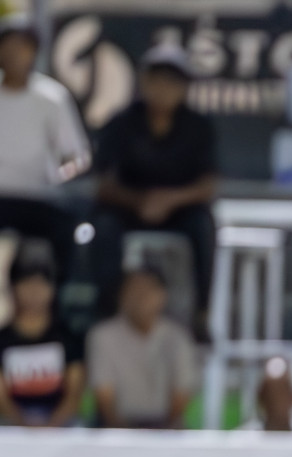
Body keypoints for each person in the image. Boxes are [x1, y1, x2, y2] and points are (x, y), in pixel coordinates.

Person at [92, 43, 218, 326]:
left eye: (173, 82)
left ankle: (202, 314)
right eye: (158, 80)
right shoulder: (122, 122)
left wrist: (168, 200)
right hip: (128, 206)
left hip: (178, 209)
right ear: (144, 82)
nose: (164, 88)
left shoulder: (198, 126)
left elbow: (208, 184)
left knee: (204, 226)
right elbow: (104, 184)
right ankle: (106, 309)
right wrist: (140, 202)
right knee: (103, 227)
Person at [0, 15, 91, 288]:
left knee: (67, 229)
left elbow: (77, 156)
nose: (15, 53)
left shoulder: (52, 97)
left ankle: (58, 305)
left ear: (34, 52)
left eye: (23, 46)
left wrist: (62, 174)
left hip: (37, 196)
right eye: (9, 45)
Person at [86, 264, 197, 428]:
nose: (141, 297)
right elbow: (104, 397)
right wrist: (124, 436)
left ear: (162, 296)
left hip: (167, 430)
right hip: (117, 429)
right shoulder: (102, 336)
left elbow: (182, 392)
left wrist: (159, 435)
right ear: (121, 295)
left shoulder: (178, 337)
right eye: (134, 290)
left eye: (148, 290)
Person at [0, 242, 84, 427]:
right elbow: (2, 399)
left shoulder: (67, 338)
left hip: (60, 423)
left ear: (52, 289)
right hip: (12, 424)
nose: (34, 292)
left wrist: (51, 427)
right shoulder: (3, 340)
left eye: (41, 284)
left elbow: (74, 394)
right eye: (27, 284)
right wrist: (23, 426)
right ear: (14, 288)